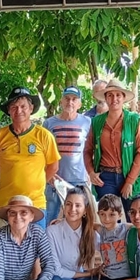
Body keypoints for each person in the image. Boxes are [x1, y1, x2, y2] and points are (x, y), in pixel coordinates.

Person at [0, 87, 60, 226]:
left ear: (31, 108)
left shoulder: (44, 135)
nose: (18, 110)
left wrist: (36, 182)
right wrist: (11, 180)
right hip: (4, 205)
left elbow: (53, 166)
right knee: (3, 247)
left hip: (35, 204)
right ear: (8, 110)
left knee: (35, 246)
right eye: (14, 107)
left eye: (23, 106)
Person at [83, 79, 140, 216]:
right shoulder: (97, 122)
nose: (114, 99)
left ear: (123, 98)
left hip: (130, 176)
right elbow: (87, 150)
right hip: (105, 177)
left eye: (118, 95)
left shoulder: (134, 120)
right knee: (108, 218)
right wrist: (91, 172)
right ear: (105, 98)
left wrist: (129, 181)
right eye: (110, 95)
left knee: (134, 217)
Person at [46, 186, 100, 280]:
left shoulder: (90, 234)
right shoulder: (52, 231)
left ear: (85, 210)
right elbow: (56, 270)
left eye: (78, 205)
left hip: (76, 276)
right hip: (56, 278)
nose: (72, 209)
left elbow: (110, 245)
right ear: (63, 207)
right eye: (68, 204)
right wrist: (87, 273)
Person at [43, 86, 92, 222]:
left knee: (79, 218)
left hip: (79, 178)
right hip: (55, 178)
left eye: (74, 99)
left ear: (79, 104)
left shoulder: (88, 122)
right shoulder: (49, 123)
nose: (70, 102)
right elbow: (43, 152)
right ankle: (47, 243)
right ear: (61, 101)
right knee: (50, 217)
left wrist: (90, 171)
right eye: (67, 98)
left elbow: (92, 148)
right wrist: (49, 175)